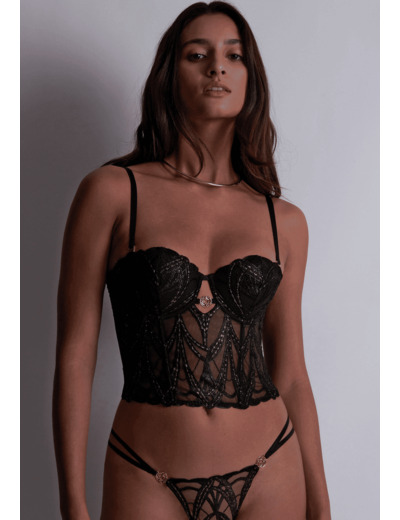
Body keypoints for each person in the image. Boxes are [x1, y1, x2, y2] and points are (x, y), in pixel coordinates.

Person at [52, 2, 331, 519]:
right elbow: (75, 353)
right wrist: (73, 501)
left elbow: (291, 372)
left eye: (234, 56)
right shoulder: (113, 192)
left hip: (272, 471)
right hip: (146, 474)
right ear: (169, 75)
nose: (217, 67)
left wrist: (322, 502)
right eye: (197, 55)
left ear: (250, 78)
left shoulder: (284, 221)